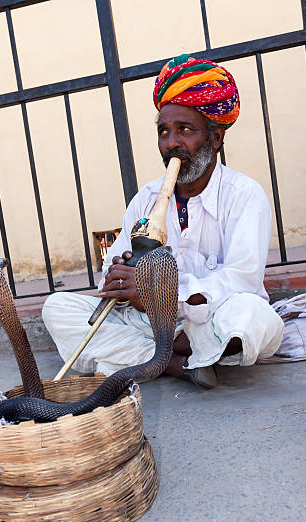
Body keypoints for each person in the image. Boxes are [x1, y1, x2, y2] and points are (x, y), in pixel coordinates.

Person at [42, 54, 284, 389]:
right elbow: (116, 264)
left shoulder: (244, 195)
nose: (171, 143)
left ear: (215, 139)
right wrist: (124, 281)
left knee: (252, 318)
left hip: (205, 318)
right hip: (145, 320)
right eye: (164, 132)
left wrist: (164, 298)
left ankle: (144, 357)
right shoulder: (146, 198)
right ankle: (178, 363)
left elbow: (241, 279)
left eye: (185, 130)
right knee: (58, 307)